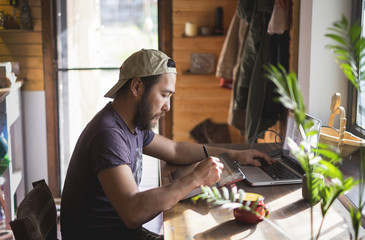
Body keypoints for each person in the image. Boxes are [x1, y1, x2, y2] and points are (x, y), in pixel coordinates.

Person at [60, 49, 274, 239]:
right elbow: (133, 212)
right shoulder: (108, 135)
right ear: (137, 87)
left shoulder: (131, 124)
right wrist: (195, 178)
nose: (167, 107)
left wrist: (234, 155)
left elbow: (174, 150)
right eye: (164, 95)